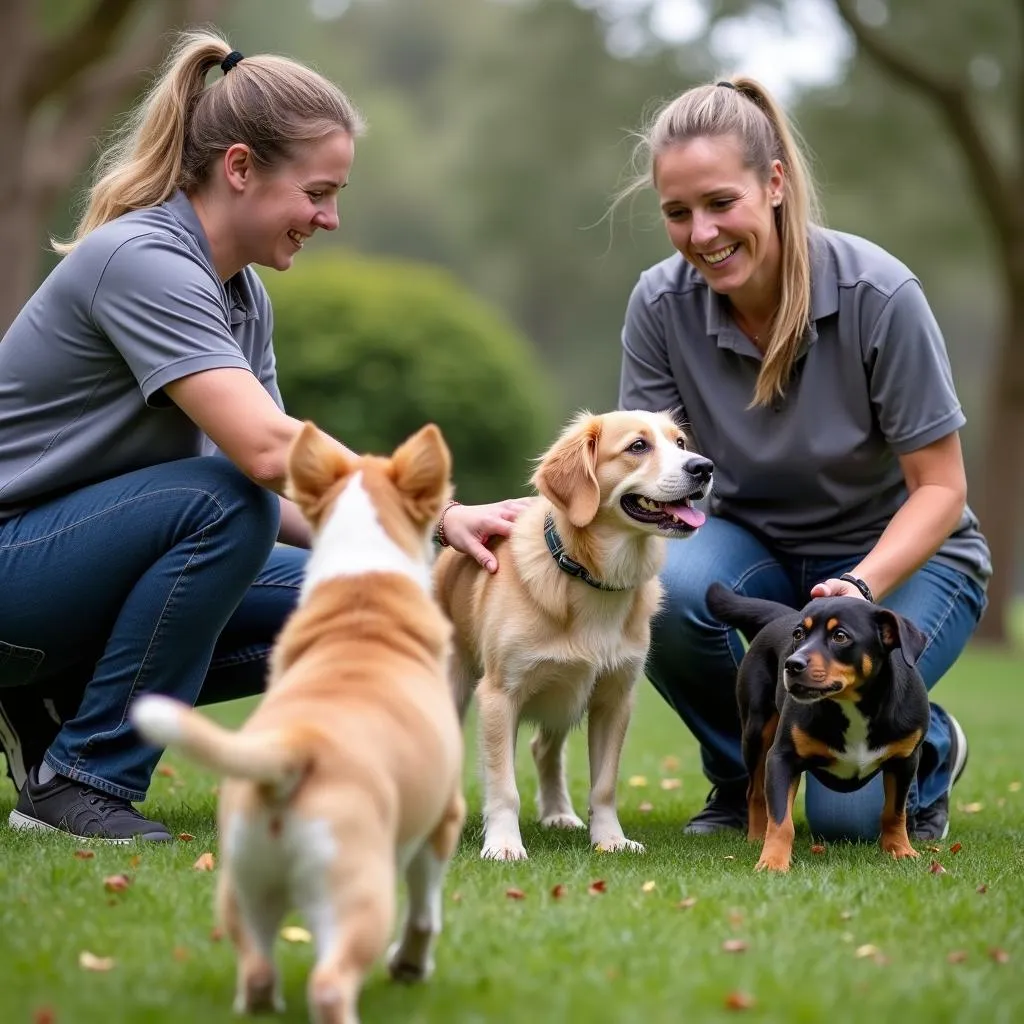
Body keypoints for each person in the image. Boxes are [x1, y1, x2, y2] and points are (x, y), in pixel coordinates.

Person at [0, 30, 525, 843]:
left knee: (369, 590)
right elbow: (268, 458)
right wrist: (435, 510)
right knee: (226, 507)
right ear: (239, 168)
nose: (331, 217)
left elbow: (284, 490)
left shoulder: (241, 298)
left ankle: (60, 707)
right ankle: (80, 780)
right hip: (15, 572)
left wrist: (409, 554)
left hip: (68, 575)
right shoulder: (142, 259)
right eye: (317, 192)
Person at [617, 76, 991, 842]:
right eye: (677, 212)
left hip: (899, 557)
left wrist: (860, 582)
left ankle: (928, 735)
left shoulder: (879, 295)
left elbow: (942, 489)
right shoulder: (659, 305)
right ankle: (742, 776)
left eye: (721, 203)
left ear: (775, 183)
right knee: (664, 581)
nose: (701, 234)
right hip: (751, 547)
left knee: (848, 822)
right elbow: (649, 477)